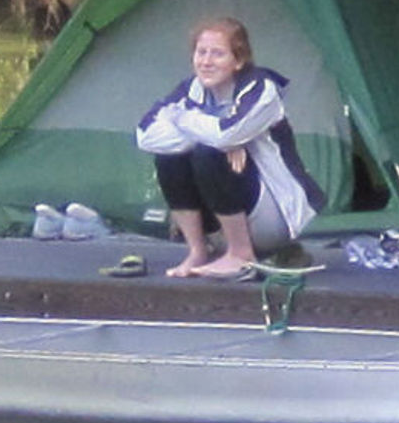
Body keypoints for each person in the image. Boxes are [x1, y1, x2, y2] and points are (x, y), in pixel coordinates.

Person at [134, 17, 317, 277]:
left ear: (238, 60)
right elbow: (146, 135)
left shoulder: (261, 87)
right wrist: (220, 137)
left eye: (218, 54)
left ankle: (241, 255)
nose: (206, 62)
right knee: (169, 158)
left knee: (209, 154)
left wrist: (184, 120)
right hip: (219, 223)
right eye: (201, 52)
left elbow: (228, 133)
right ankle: (198, 251)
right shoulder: (191, 89)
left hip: (273, 218)